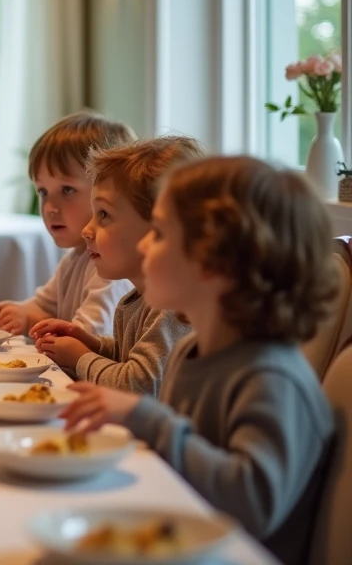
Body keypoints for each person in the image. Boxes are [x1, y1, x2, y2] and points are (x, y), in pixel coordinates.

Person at [61, 157, 338, 565]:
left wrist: (147, 417)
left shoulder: (273, 378)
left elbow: (253, 505)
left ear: (213, 263)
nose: (142, 246)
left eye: (157, 233)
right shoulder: (192, 353)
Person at [30, 137, 203, 394]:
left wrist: (80, 358)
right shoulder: (136, 300)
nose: (87, 230)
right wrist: (92, 344)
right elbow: (129, 358)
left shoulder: (172, 309)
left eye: (103, 215)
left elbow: (140, 384)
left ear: (157, 228)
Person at [0, 110, 135, 336]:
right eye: (43, 191)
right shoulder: (74, 259)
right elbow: (44, 307)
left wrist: (33, 322)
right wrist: (21, 314)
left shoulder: (110, 270)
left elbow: (87, 336)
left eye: (67, 190)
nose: (50, 207)